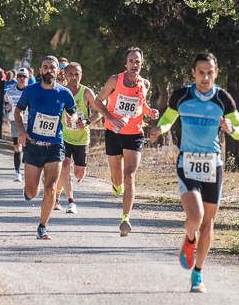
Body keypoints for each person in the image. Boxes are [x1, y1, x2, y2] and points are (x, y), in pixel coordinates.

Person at [148, 52, 239, 293]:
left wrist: (231, 128)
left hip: (213, 165)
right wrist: (159, 130)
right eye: (201, 72)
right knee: (196, 217)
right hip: (188, 163)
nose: (205, 77)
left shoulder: (223, 99)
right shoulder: (182, 96)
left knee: (208, 223)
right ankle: (189, 238)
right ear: (193, 72)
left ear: (216, 73)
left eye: (210, 72)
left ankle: (198, 275)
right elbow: (168, 120)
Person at [93, 47, 159, 236]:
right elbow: (98, 101)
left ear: (141, 64)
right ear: (125, 64)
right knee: (117, 176)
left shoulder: (145, 84)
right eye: (131, 61)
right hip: (113, 131)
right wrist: (110, 118)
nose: (134, 64)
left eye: (137, 61)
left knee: (129, 174)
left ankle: (125, 218)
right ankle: (116, 185)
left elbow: (142, 106)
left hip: (135, 133)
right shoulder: (115, 80)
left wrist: (151, 112)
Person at [14, 55, 80, 240]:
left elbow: (73, 113)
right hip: (34, 145)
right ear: (40, 70)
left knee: (50, 187)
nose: (49, 70)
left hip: (55, 145)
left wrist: (72, 119)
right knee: (32, 192)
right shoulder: (30, 91)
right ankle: (28, 191)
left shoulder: (64, 93)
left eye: (52, 67)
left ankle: (42, 226)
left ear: (58, 71)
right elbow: (18, 111)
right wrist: (21, 130)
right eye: (45, 67)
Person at [56, 62, 99, 214]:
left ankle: (57, 191)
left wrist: (87, 121)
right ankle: (70, 201)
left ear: (81, 75)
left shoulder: (87, 92)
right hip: (64, 136)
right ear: (65, 75)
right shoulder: (61, 91)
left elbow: (98, 111)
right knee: (65, 166)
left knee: (78, 173)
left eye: (77, 74)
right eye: (70, 74)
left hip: (82, 138)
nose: (74, 77)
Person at [4, 67, 30, 182]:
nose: (21, 78)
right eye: (19, 76)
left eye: (24, 76)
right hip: (15, 122)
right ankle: (17, 173)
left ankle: (27, 171)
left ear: (28, 78)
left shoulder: (31, 91)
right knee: (17, 147)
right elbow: (6, 102)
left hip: (29, 122)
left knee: (27, 148)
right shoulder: (9, 91)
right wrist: (7, 107)